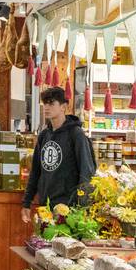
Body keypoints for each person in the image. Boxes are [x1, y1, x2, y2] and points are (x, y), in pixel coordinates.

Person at [21, 86, 96, 224]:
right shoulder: (44, 135)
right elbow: (36, 171)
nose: (47, 107)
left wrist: (82, 207)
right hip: (46, 206)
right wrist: (27, 202)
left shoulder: (76, 134)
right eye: (45, 103)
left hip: (69, 208)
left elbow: (87, 171)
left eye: (51, 103)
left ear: (63, 106)